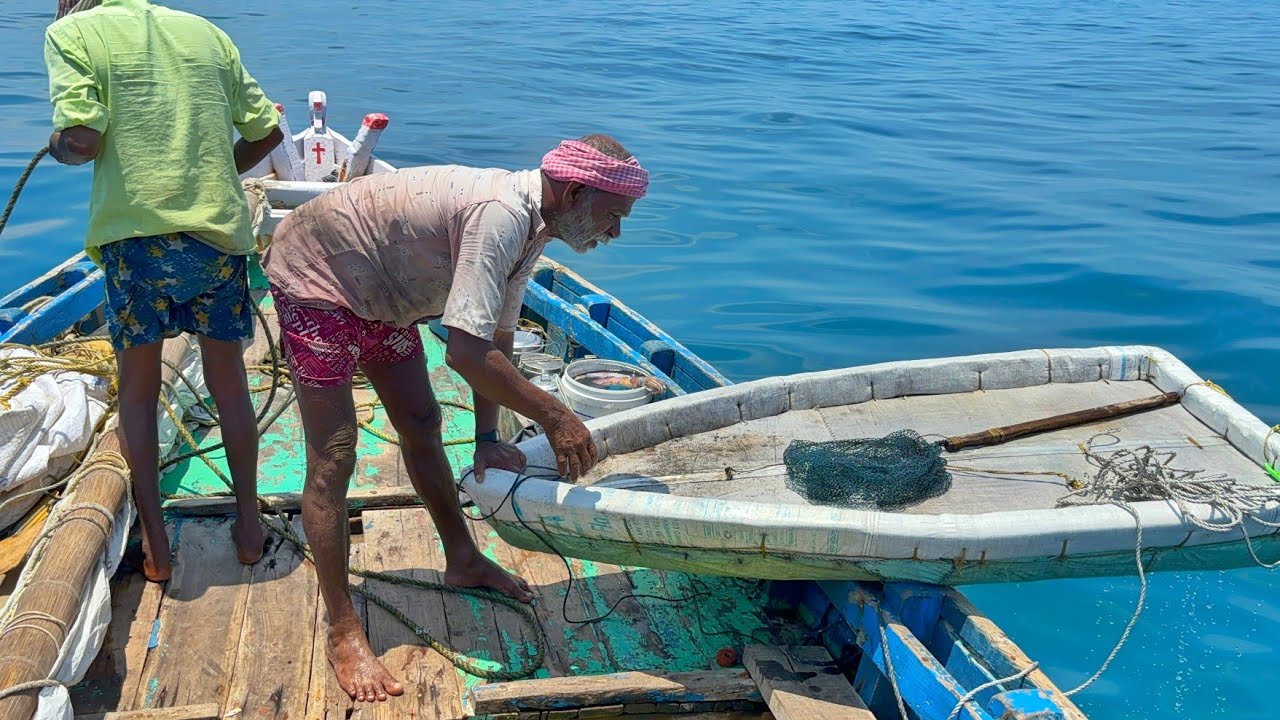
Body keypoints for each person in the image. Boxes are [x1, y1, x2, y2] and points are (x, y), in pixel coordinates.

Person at [259, 134, 647, 702]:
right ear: (574, 191)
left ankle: (462, 558)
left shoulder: (536, 224)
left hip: (381, 294)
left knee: (421, 420)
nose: (615, 233)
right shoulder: (499, 217)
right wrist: (558, 415)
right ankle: (341, 627)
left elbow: (496, 337)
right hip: (316, 279)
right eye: (614, 216)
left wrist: (488, 439)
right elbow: (463, 354)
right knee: (334, 454)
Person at [44, 0, 284, 581]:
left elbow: (82, 139)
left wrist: (59, 145)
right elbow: (268, 130)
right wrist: (216, 172)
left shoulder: (71, 32)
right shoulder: (205, 32)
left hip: (136, 245)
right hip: (217, 239)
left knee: (137, 394)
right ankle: (250, 529)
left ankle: (156, 546)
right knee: (230, 387)